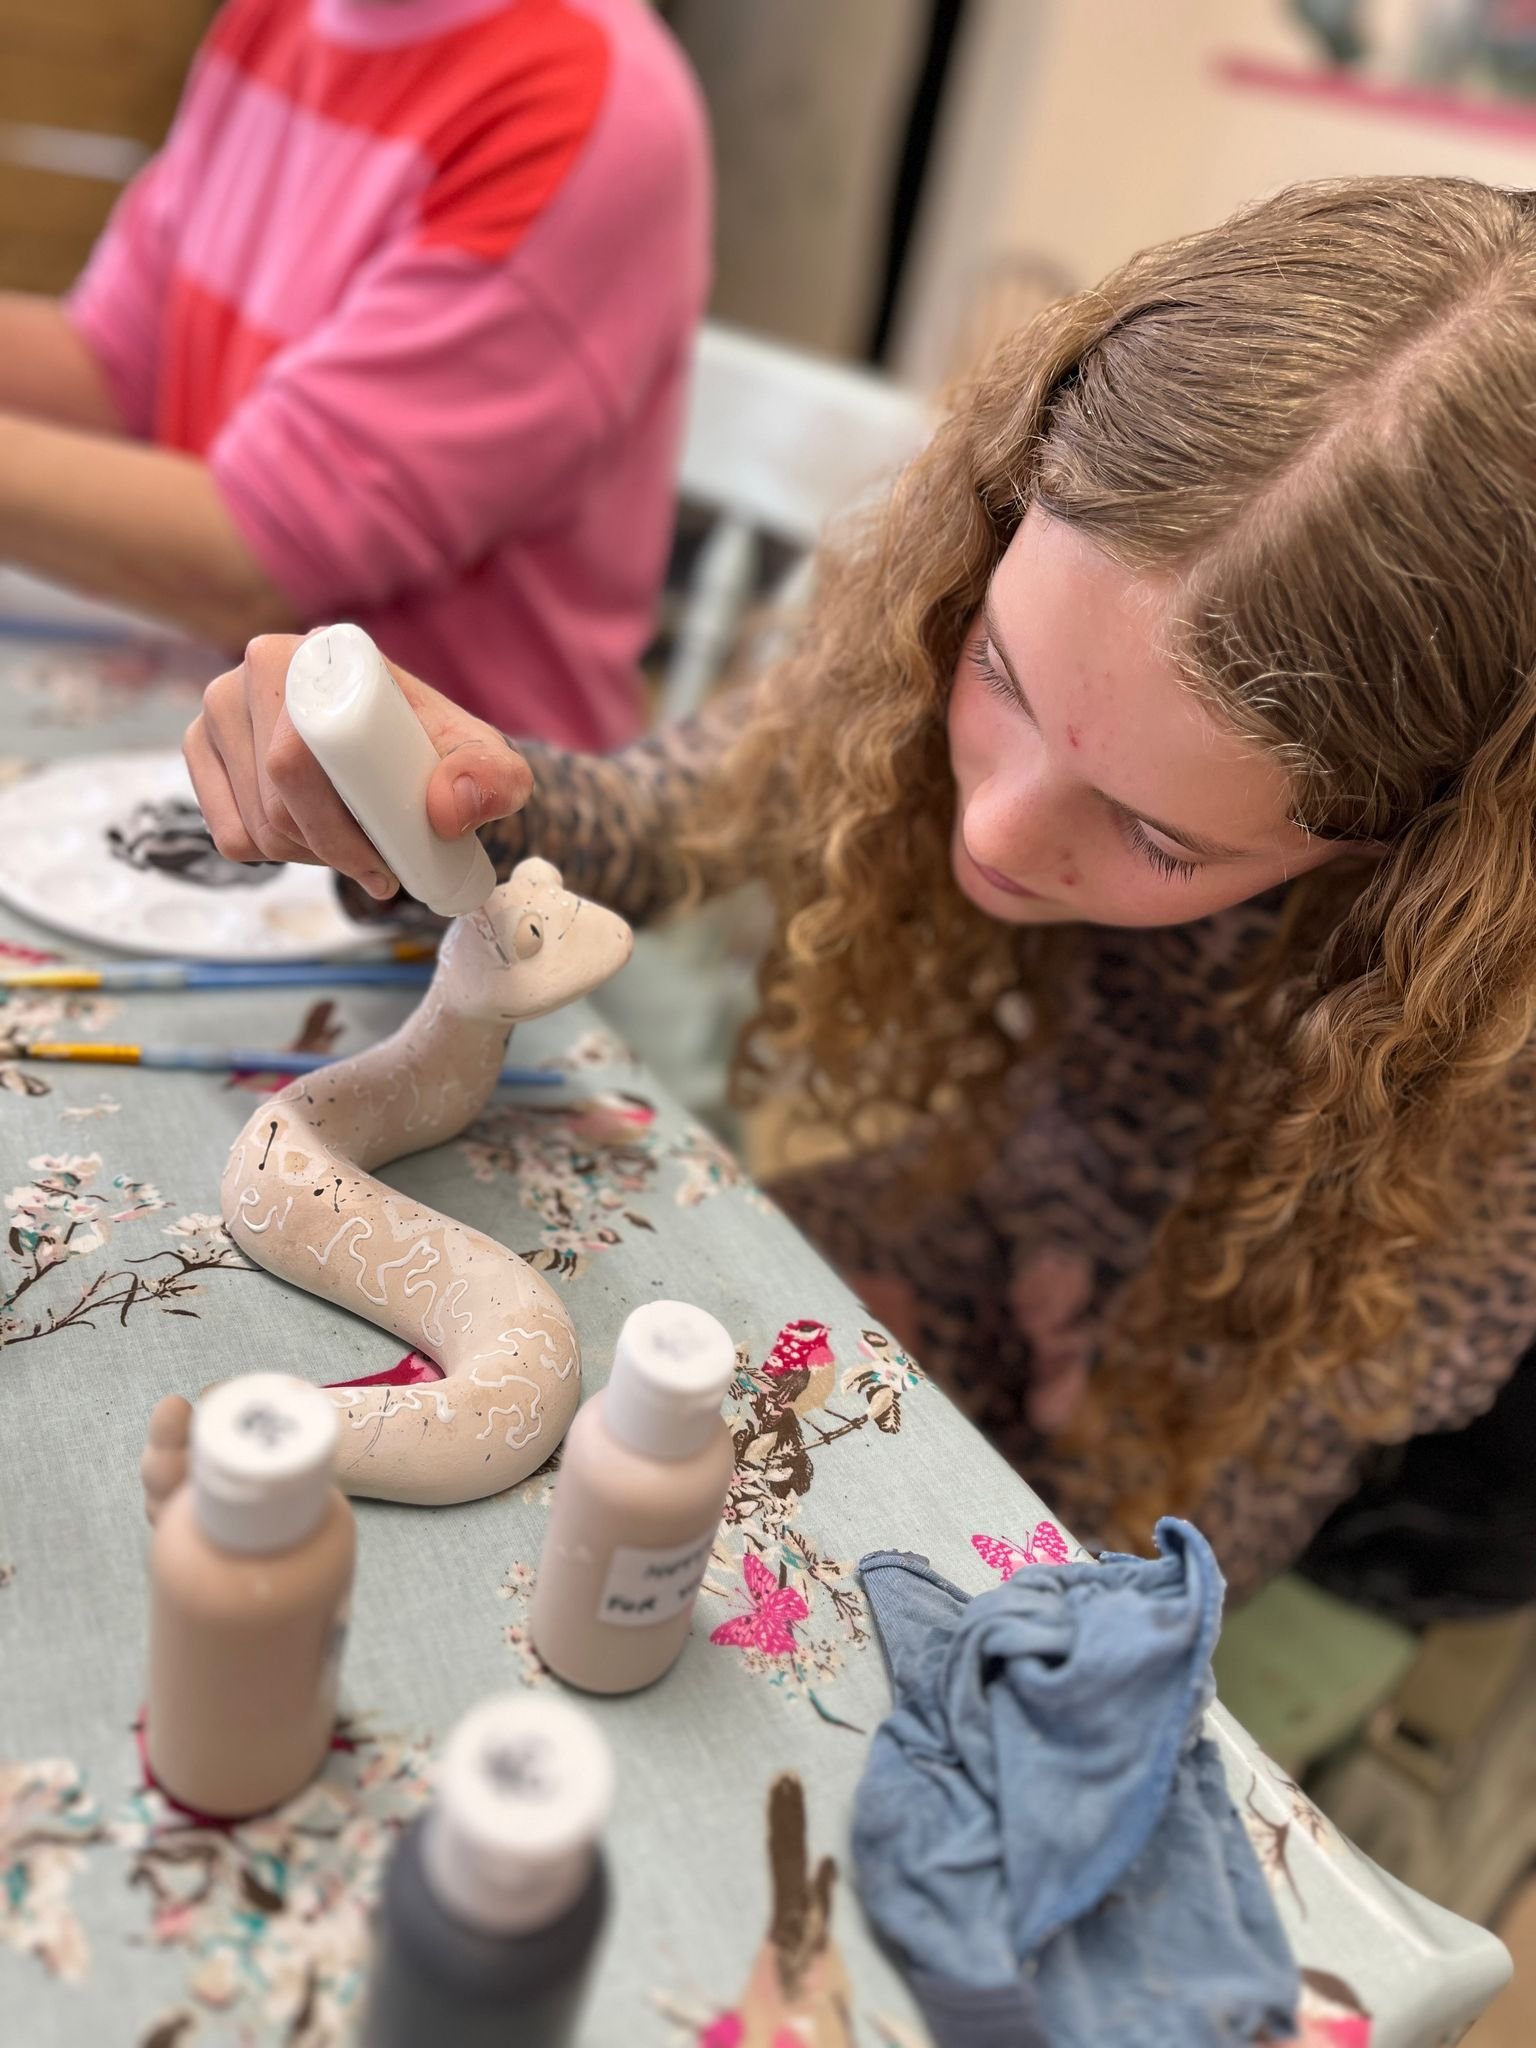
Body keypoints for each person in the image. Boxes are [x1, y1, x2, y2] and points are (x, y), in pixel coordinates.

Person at [183, 175, 1536, 1601]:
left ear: (1415, 840)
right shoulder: (965, 587)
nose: (1000, 836)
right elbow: (667, 815)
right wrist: (417, 797)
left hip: (1267, 1361)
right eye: (1000, 675)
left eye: (1158, 836)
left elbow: (1380, 1361)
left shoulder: (1489, 999)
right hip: (996, 1187)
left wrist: (1141, 1384)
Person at [0, 0, 708, 754]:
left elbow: (259, 555)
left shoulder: (577, 98)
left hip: (446, 818)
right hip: (223, 724)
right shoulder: (283, 18)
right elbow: (116, 367)